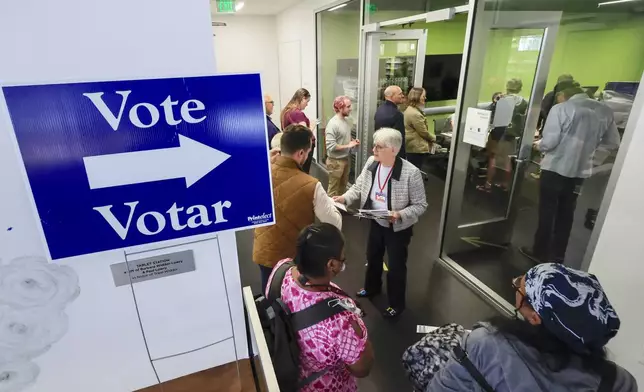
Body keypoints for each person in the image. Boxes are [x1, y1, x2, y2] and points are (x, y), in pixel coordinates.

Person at [427, 263, 636, 392]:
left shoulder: (485, 344)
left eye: (518, 286)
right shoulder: (619, 383)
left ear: (535, 317)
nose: (516, 284)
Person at [265, 223, 374, 392]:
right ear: (331, 265)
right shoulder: (342, 321)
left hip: (290, 374)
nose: (343, 261)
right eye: (342, 258)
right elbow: (362, 368)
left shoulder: (282, 270)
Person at [520, 84, 620, 263]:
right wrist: (591, 158)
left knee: (547, 211)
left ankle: (539, 251)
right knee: (567, 213)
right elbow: (612, 142)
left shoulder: (561, 109)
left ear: (562, 95)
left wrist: (538, 145)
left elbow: (550, 142)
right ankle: (558, 255)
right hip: (579, 174)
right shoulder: (605, 110)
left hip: (555, 169)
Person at [334, 128, 427, 318]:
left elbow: (421, 205)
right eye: (374, 145)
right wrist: (343, 198)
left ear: (393, 150)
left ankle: (396, 304)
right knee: (372, 257)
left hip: (397, 227)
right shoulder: (372, 163)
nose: (373, 150)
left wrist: (400, 214)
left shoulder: (411, 173)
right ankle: (371, 288)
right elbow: (359, 186)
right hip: (376, 220)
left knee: (396, 267)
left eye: (379, 147)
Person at [253, 125, 341, 291]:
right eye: (307, 153)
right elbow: (334, 222)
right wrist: (328, 202)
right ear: (301, 153)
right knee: (293, 298)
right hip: (291, 258)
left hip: (264, 249)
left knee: (269, 293)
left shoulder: (260, 173)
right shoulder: (311, 185)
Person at [478, 79, 528, 192]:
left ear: (507, 87)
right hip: (513, 134)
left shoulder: (502, 99)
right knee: (507, 161)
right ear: (520, 88)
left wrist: (496, 101)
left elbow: (490, 112)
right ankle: (505, 184)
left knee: (493, 159)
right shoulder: (524, 102)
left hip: (499, 134)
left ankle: (488, 184)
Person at [325, 96, 360, 197]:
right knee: (333, 190)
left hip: (345, 159)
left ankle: (339, 209)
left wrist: (352, 142)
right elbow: (331, 146)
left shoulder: (346, 121)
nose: (351, 109)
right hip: (335, 162)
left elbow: (343, 139)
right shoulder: (333, 124)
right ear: (340, 108)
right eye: (348, 106)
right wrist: (348, 145)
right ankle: (331, 211)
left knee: (342, 188)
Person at [281, 88, 316, 173]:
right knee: (303, 173)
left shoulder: (287, 111)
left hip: (294, 148)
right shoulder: (297, 113)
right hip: (302, 150)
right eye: (307, 101)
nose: (307, 105)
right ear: (302, 98)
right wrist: (312, 125)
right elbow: (303, 134)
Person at [404, 87, 435, 170]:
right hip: (415, 148)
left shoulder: (412, 110)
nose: (425, 98)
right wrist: (434, 138)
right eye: (423, 96)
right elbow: (423, 132)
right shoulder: (415, 114)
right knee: (415, 171)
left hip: (412, 146)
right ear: (416, 97)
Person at [375, 85, 406, 158]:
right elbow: (399, 139)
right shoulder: (397, 114)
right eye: (400, 94)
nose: (402, 96)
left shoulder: (380, 109)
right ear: (391, 96)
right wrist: (402, 159)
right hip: (392, 154)